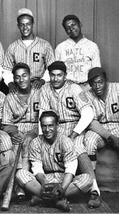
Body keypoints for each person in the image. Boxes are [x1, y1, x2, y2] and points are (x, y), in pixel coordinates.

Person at [39, 60, 101, 208]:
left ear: (65, 75)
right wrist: (42, 136)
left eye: (59, 75)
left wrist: (74, 134)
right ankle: (53, 191)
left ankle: (94, 191)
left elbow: (87, 113)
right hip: (55, 127)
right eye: (52, 75)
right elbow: (42, 114)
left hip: (74, 125)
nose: (55, 79)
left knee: (77, 148)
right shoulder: (45, 88)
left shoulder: (74, 88)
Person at [16, 110, 93, 212]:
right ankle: (57, 201)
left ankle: (43, 200)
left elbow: (70, 170)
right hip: (45, 178)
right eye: (44, 126)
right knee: (20, 174)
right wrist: (44, 185)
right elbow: (37, 168)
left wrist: (61, 189)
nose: (47, 129)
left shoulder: (66, 141)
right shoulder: (35, 142)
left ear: (57, 125)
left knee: (87, 179)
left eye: (50, 125)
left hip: (64, 179)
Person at [2, 62, 40, 199]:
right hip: (18, 130)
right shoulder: (10, 97)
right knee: (17, 143)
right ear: (14, 79)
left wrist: (34, 132)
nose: (21, 80)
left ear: (30, 76)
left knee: (30, 143)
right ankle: (19, 183)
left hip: (38, 129)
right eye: (17, 77)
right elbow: (6, 123)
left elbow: (48, 117)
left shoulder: (40, 92)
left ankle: (25, 182)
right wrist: (14, 133)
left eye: (24, 76)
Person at [3, 8, 55, 93]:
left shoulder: (45, 45)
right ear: (18, 26)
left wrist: (42, 81)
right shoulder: (12, 47)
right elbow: (6, 69)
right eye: (22, 24)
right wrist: (10, 83)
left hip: (39, 87)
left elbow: (51, 67)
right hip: (19, 87)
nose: (25, 27)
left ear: (33, 24)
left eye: (28, 24)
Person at [83, 67, 119, 173]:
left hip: (117, 125)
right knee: (89, 141)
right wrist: (111, 137)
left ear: (106, 80)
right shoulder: (86, 95)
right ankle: (92, 181)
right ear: (90, 84)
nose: (97, 86)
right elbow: (91, 122)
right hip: (99, 128)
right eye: (94, 83)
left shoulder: (117, 89)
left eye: (100, 82)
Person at [55, 15, 101, 90]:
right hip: (67, 87)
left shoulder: (92, 46)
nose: (71, 29)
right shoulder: (60, 48)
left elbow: (97, 71)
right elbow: (57, 71)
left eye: (73, 25)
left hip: (87, 87)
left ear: (80, 24)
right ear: (66, 31)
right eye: (68, 28)